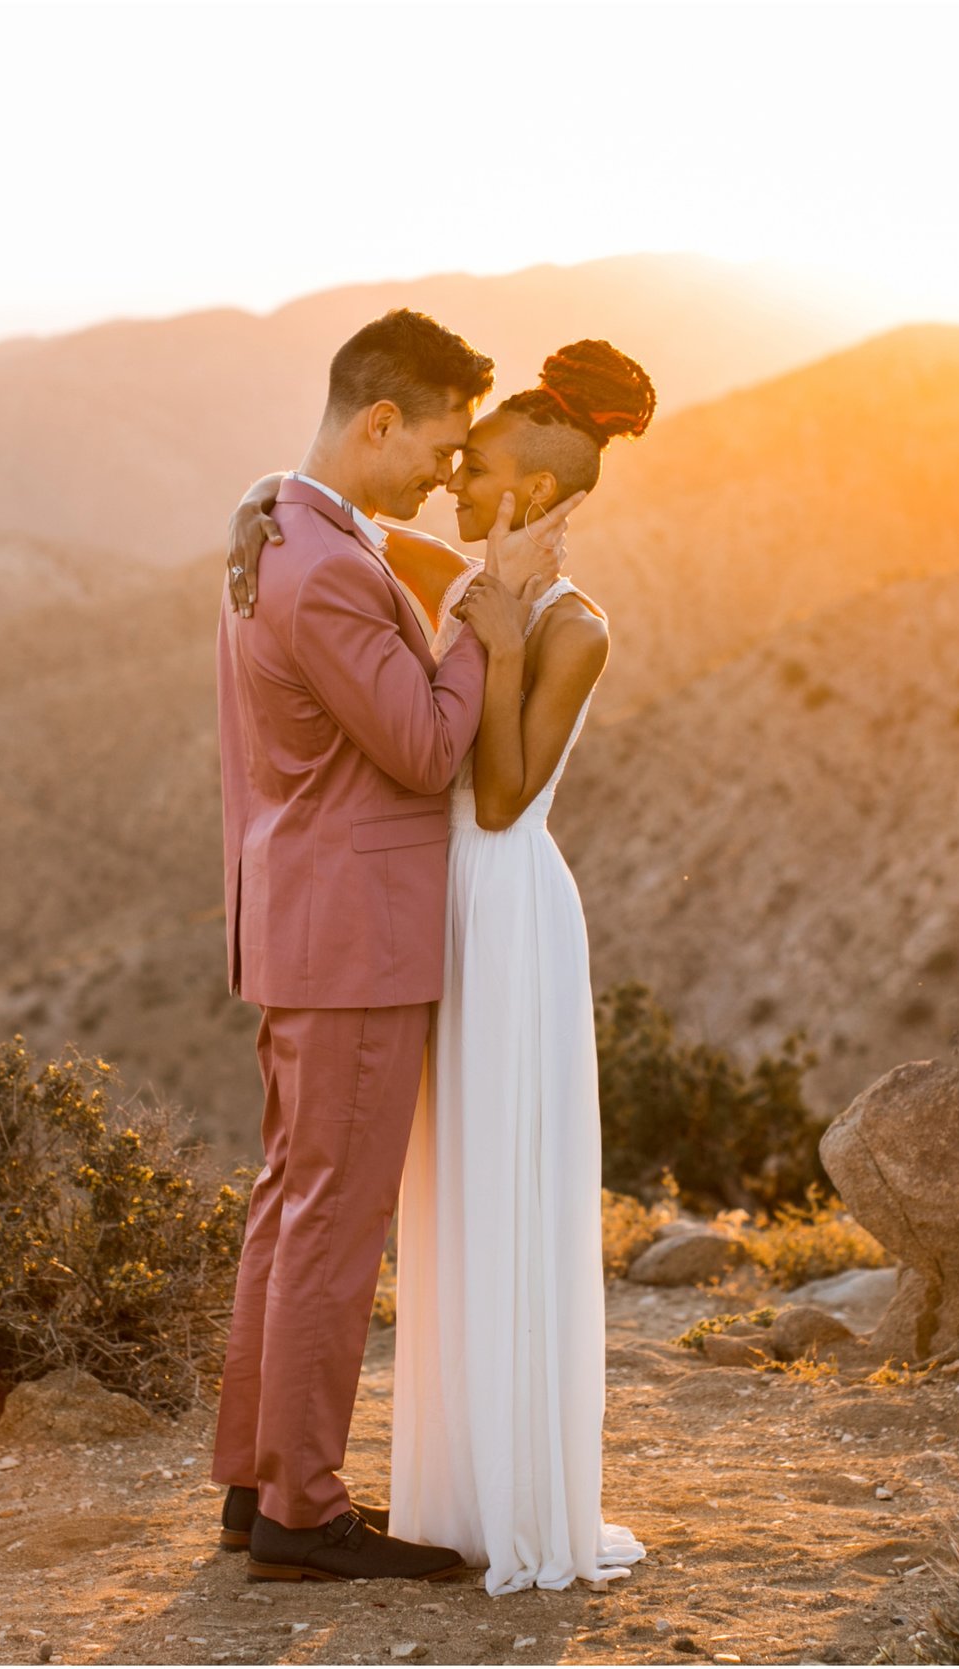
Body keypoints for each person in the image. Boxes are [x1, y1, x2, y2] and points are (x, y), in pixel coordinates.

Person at [224, 340, 658, 1593]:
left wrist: (502, 626)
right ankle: (285, 1498)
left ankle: (316, 1493)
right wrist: (263, 493)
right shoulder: (425, 567)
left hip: (494, 914)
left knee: (382, 1197)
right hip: (401, 918)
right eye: (447, 454)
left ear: (524, 494)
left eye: (472, 469)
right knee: (340, 1200)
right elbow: (349, 535)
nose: (451, 483)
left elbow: (506, 789)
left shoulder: (570, 627)